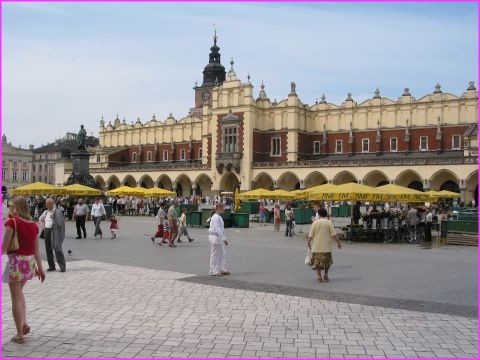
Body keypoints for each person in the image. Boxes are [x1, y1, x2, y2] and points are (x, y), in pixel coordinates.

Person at [2, 196, 45, 344]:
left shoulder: (12, 222)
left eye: (11, 206)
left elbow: (4, 247)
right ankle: (24, 323)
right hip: (29, 263)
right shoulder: (34, 225)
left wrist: (7, 223)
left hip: (16, 263)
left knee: (16, 298)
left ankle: (19, 334)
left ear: (16, 208)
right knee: (20, 294)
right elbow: (37, 250)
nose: (9, 209)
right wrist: (40, 269)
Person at [308, 208, 342, 282]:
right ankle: (326, 274)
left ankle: (319, 276)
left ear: (319, 214)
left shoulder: (315, 223)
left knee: (317, 262)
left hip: (317, 246)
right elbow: (334, 235)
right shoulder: (329, 222)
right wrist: (338, 243)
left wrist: (308, 243)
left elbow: (310, 235)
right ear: (326, 214)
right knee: (327, 262)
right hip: (327, 246)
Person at [39, 198, 66, 272]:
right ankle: (51, 266)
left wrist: (54, 219)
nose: (46, 204)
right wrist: (43, 227)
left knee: (57, 248)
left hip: (54, 231)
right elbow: (40, 219)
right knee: (48, 249)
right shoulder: (46, 212)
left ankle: (62, 266)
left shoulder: (57, 212)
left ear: (52, 203)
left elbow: (60, 223)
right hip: (47, 231)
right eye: (46, 203)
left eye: (47, 203)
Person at [208, 202, 229, 277]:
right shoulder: (216, 217)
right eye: (223, 207)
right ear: (219, 208)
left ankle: (222, 269)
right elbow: (217, 229)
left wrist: (223, 237)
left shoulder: (218, 216)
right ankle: (213, 271)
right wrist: (224, 239)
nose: (224, 209)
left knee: (221, 253)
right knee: (215, 254)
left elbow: (220, 229)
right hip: (215, 237)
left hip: (218, 237)